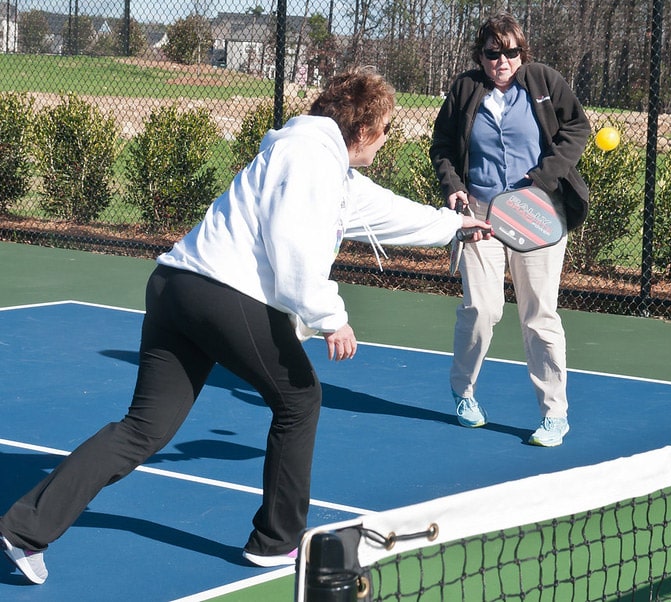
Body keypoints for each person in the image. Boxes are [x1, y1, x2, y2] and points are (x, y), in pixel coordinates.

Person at [0, 67, 491, 585]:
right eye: (386, 129)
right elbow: (294, 253)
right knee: (299, 400)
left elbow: (384, 212)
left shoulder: (324, 164)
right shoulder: (310, 161)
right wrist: (333, 320)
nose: (386, 140)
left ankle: (24, 527)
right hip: (220, 293)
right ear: (364, 130)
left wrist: (455, 225)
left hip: (175, 286)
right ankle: (275, 542)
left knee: (142, 428)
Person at [430, 12, 590, 446]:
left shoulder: (543, 81)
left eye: (511, 51)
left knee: (540, 314)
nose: (503, 60)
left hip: (536, 213)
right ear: (480, 55)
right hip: (479, 211)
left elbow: (577, 128)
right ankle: (463, 390)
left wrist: (541, 179)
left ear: (523, 52)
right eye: (493, 52)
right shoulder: (465, 89)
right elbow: (442, 146)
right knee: (482, 310)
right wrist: (454, 188)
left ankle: (555, 415)